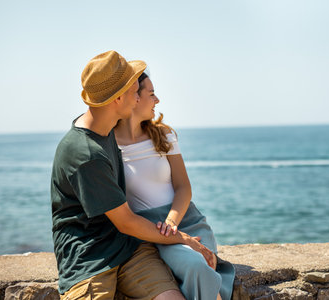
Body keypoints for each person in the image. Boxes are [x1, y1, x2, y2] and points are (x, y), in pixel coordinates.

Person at [51, 50, 215, 300]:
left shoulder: (104, 131)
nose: (136, 97)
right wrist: (185, 240)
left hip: (128, 247)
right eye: (132, 90)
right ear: (117, 98)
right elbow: (126, 221)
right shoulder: (87, 154)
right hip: (89, 259)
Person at [114, 72, 235, 300]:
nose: (157, 100)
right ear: (133, 97)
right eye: (151, 94)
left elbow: (183, 188)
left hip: (185, 221)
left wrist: (171, 224)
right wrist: (165, 232)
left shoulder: (164, 134)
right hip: (149, 231)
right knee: (196, 266)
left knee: (202, 263)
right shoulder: (110, 146)